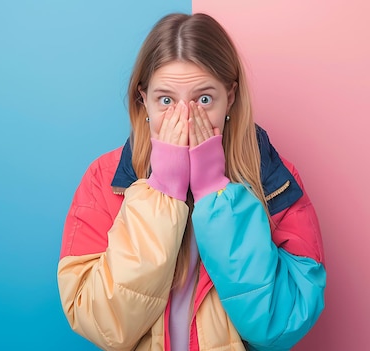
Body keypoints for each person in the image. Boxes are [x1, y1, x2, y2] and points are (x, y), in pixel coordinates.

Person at [57, 13, 325, 351]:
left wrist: (216, 192)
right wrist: (162, 193)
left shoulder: (276, 180)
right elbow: (102, 324)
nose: (184, 119)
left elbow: (281, 325)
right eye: (166, 100)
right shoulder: (103, 179)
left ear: (230, 96)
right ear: (144, 102)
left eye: (204, 100)